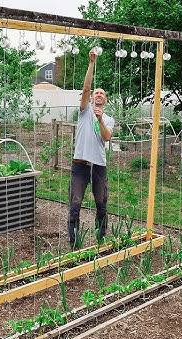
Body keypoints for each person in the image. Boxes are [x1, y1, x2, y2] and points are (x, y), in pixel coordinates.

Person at [68, 48, 115, 249]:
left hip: (98, 167)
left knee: (101, 205)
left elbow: (106, 137)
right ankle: (74, 244)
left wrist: (100, 120)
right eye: (96, 92)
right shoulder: (84, 111)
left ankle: (100, 240)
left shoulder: (108, 119)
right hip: (80, 165)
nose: (98, 95)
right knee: (75, 205)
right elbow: (86, 88)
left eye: (102, 94)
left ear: (105, 100)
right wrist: (91, 64)